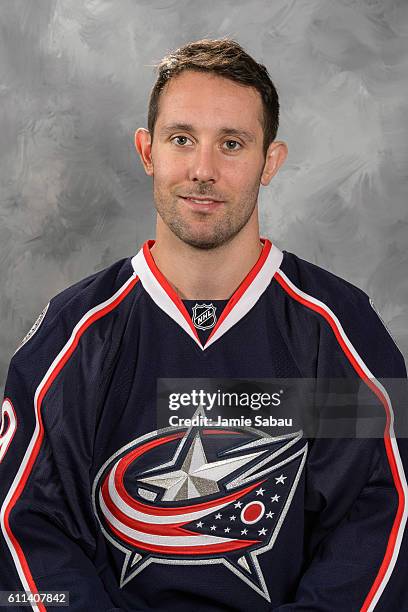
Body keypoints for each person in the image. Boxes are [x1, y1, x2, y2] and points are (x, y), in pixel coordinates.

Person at [0, 38, 407, 612]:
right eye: (182, 139)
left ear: (270, 161)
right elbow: (21, 530)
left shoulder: (339, 332)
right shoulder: (74, 335)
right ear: (148, 151)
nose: (203, 170)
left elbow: (383, 515)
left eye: (233, 144)